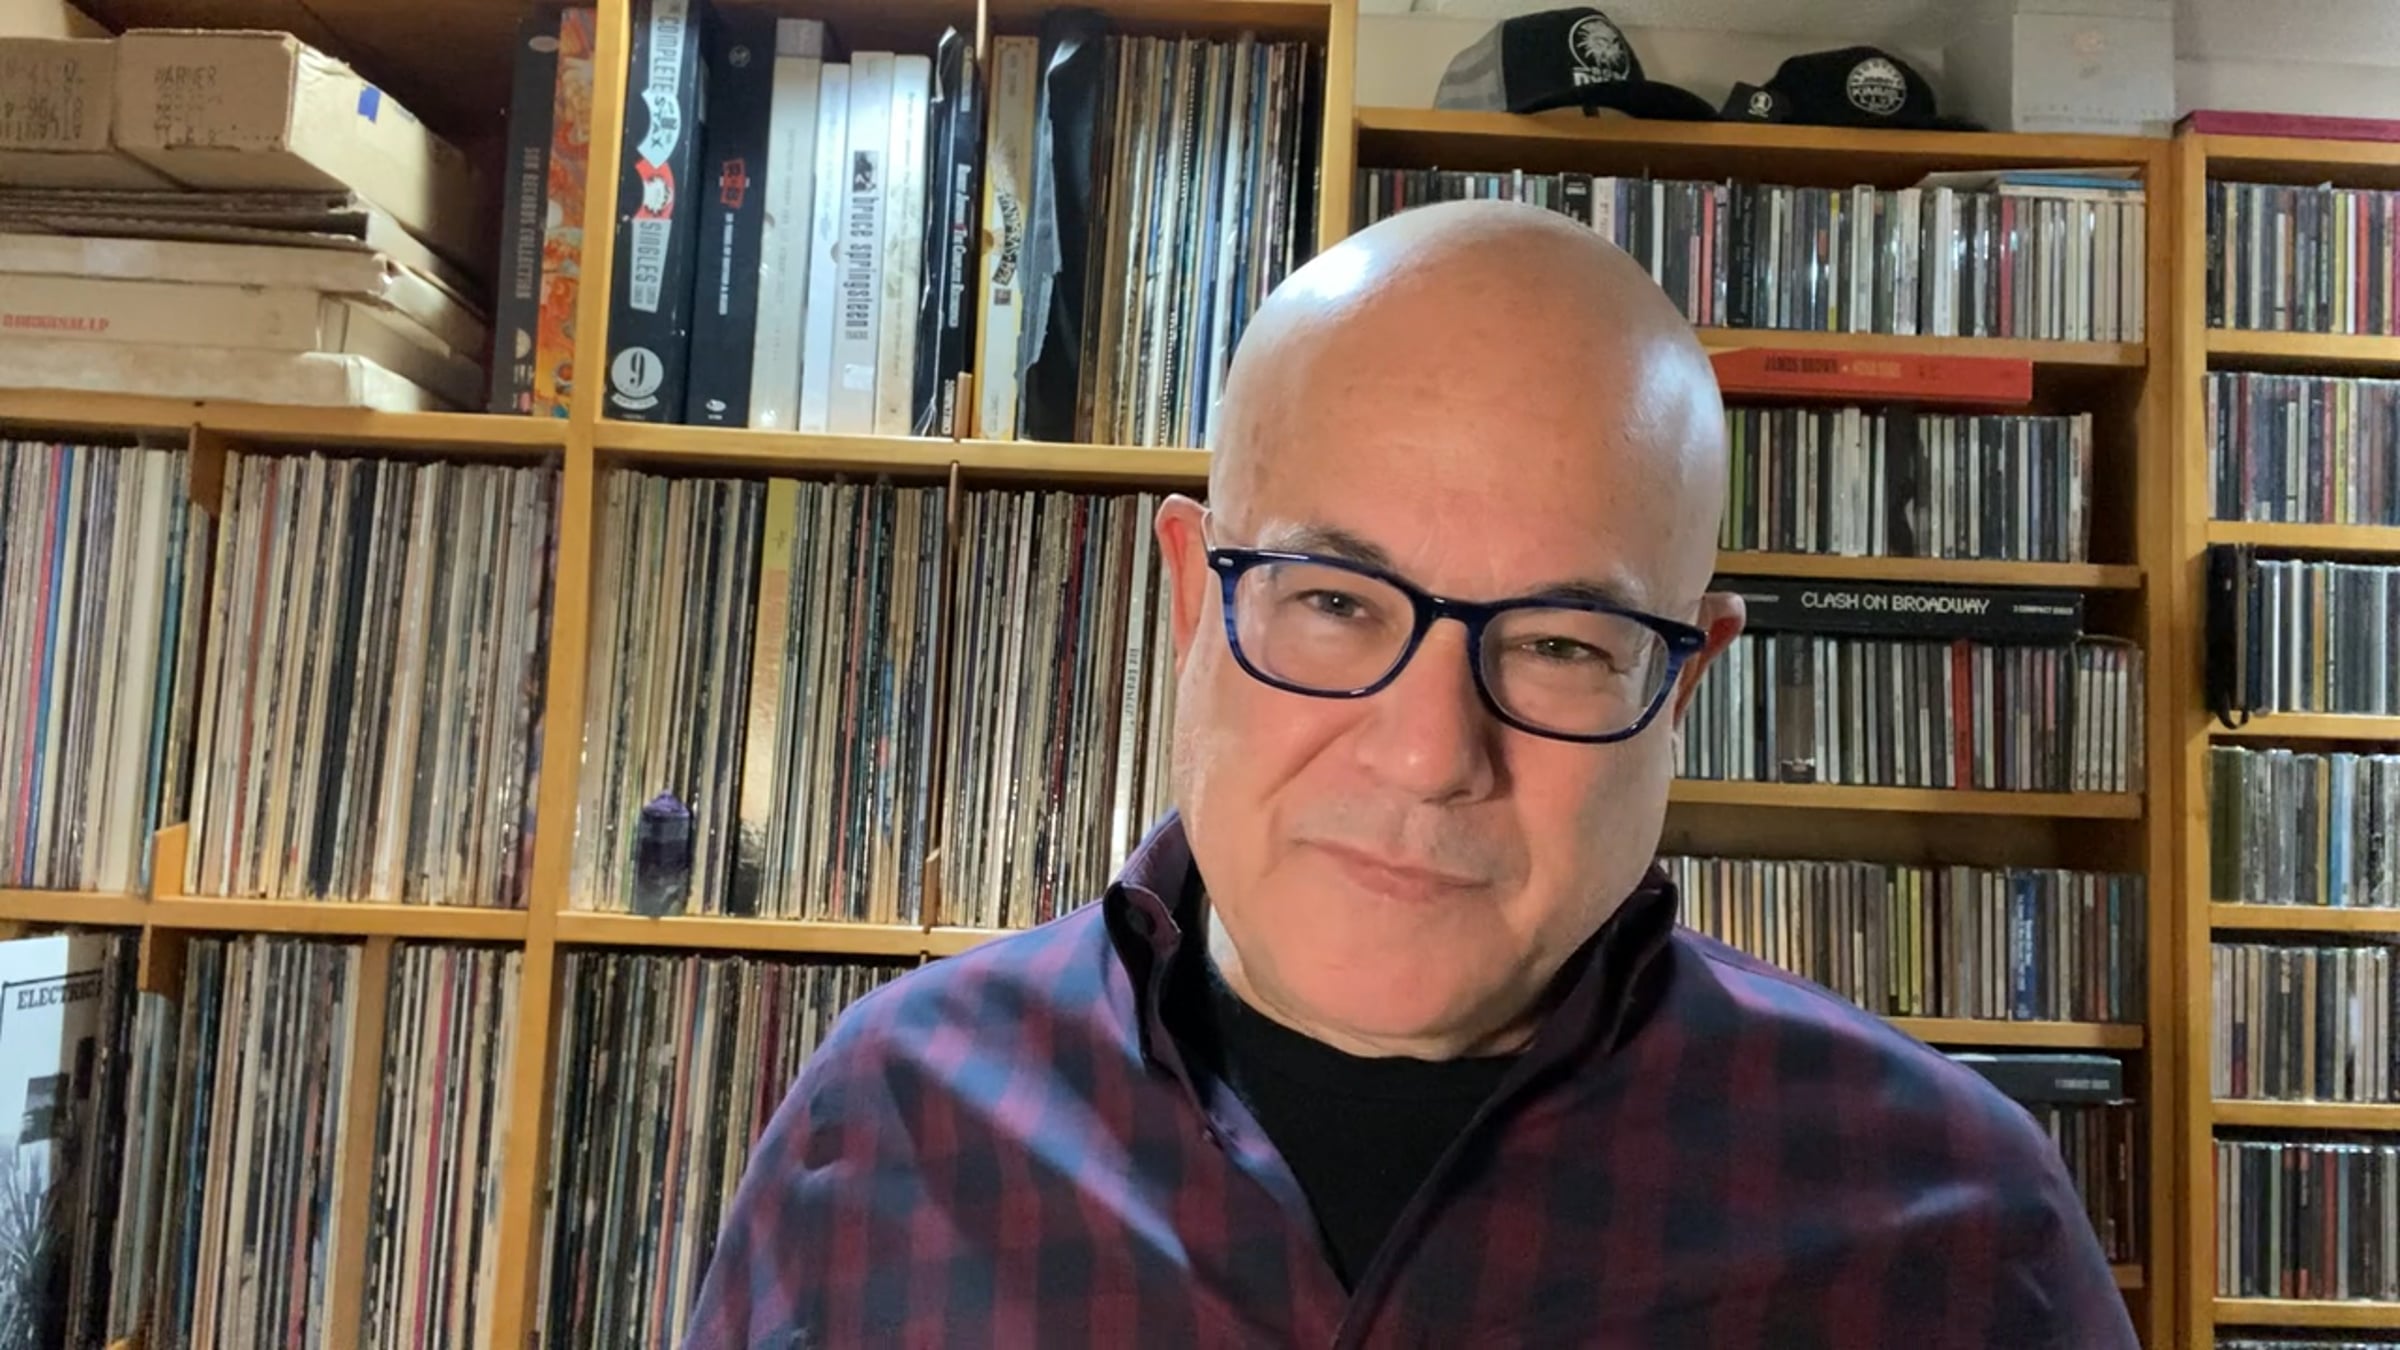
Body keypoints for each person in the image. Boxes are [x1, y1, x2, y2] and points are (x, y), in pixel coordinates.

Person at [684, 199, 2137, 1348]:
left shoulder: (1960, 1228)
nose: (1432, 752)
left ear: (1681, 684)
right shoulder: (882, 1126)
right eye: (1332, 601)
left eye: (1560, 644)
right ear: (1193, 602)